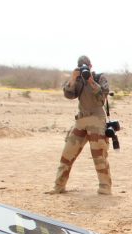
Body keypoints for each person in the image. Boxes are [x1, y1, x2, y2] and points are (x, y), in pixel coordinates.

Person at [48, 55, 112, 195]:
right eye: (81, 65)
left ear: (91, 66)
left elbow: (102, 98)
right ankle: (58, 186)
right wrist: (73, 79)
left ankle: (105, 187)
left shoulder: (99, 78)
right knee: (67, 153)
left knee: (99, 155)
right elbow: (69, 95)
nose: (84, 68)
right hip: (81, 120)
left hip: (96, 119)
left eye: (86, 65)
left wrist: (90, 80)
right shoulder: (77, 80)